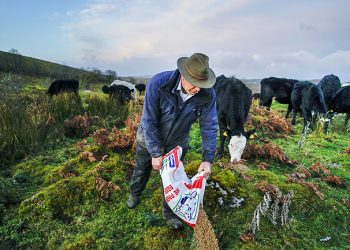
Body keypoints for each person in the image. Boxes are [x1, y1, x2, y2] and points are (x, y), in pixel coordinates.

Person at [126, 53, 218, 230]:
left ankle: (170, 214)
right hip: (149, 139)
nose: (198, 89)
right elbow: (149, 120)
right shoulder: (159, 83)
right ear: (183, 76)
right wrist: (155, 152)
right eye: (195, 84)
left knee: (173, 180)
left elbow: (210, 126)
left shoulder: (208, 95)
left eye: (202, 84)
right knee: (141, 169)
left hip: (176, 144)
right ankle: (135, 194)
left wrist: (207, 159)